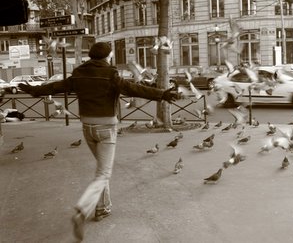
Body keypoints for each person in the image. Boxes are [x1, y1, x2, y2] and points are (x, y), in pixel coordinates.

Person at [18, 42, 178, 241]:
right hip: (106, 129)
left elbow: (57, 86)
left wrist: (34, 90)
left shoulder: (79, 73)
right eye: (110, 56)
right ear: (106, 57)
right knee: (103, 173)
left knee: (102, 171)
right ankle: (83, 209)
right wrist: (162, 94)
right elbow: (133, 89)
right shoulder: (110, 74)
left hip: (87, 128)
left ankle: (102, 208)